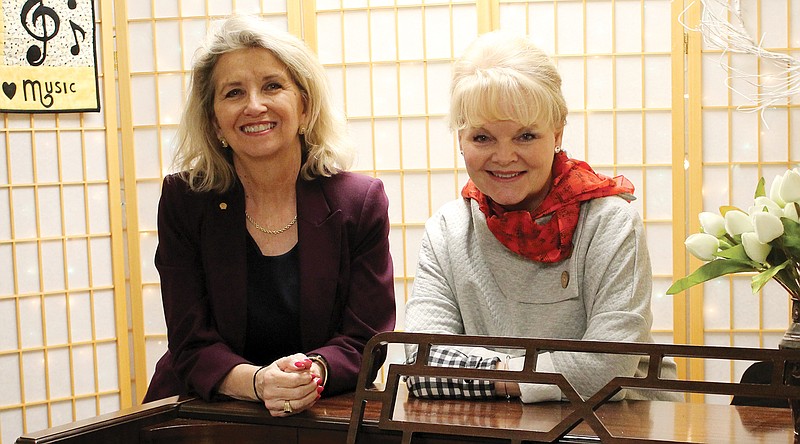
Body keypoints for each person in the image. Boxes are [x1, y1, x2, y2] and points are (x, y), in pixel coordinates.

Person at [404, 31, 681, 403]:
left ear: (557, 132)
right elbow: (422, 363)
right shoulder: (448, 230)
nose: (503, 157)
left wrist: (487, 375)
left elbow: (607, 367)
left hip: (617, 428)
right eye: (482, 138)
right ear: (460, 139)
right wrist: (546, 374)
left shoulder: (609, 222)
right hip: (495, 429)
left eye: (526, 136)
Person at [143, 15, 396, 417]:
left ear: (304, 104)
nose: (254, 105)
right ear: (214, 120)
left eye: (273, 86)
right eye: (233, 92)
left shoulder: (358, 201)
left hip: (320, 409)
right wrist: (259, 383)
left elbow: (367, 339)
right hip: (202, 411)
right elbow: (190, 341)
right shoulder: (185, 201)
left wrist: (308, 373)